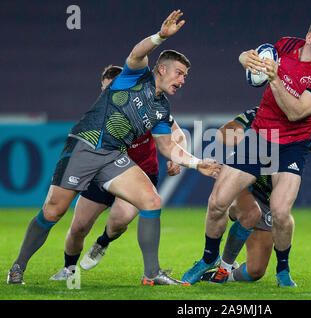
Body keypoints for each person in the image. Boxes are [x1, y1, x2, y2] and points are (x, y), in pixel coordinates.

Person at [7, 10, 220, 286]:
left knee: (152, 201)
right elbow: (136, 53)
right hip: (86, 145)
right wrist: (159, 37)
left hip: (112, 156)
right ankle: (17, 268)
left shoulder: (162, 109)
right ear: (162, 69)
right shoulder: (134, 76)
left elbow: (168, 147)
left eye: (185, 77)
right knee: (53, 211)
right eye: (179, 73)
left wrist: (196, 162)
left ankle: (152, 273)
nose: (182, 80)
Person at [182, 14, 311, 287]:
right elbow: (249, 56)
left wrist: (274, 78)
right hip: (260, 137)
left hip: (293, 145)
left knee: (280, 211)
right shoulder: (286, 45)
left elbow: (296, 113)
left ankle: (282, 270)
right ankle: (209, 258)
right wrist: (246, 59)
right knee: (217, 201)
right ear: (310, 37)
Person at [49, 65, 185, 283]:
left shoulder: (146, 106)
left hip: (140, 172)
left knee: (119, 220)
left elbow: (176, 132)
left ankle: (103, 242)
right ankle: (69, 269)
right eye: (105, 90)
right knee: (80, 226)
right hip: (102, 169)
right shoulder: (99, 113)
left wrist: (176, 157)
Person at [201, 106, 311, 284]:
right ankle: (222, 266)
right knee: (251, 213)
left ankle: (228, 274)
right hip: (245, 187)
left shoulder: (302, 123)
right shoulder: (260, 114)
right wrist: (249, 141)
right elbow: (226, 131)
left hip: (268, 200)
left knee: (255, 272)